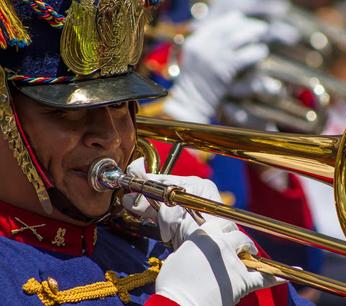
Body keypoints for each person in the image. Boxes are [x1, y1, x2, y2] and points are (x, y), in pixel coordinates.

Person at [0, 1, 315, 305]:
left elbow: (306, 267)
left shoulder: (142, 241)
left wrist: (234, 253)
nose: (110, 137)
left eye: (119, 105)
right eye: (68, 112)